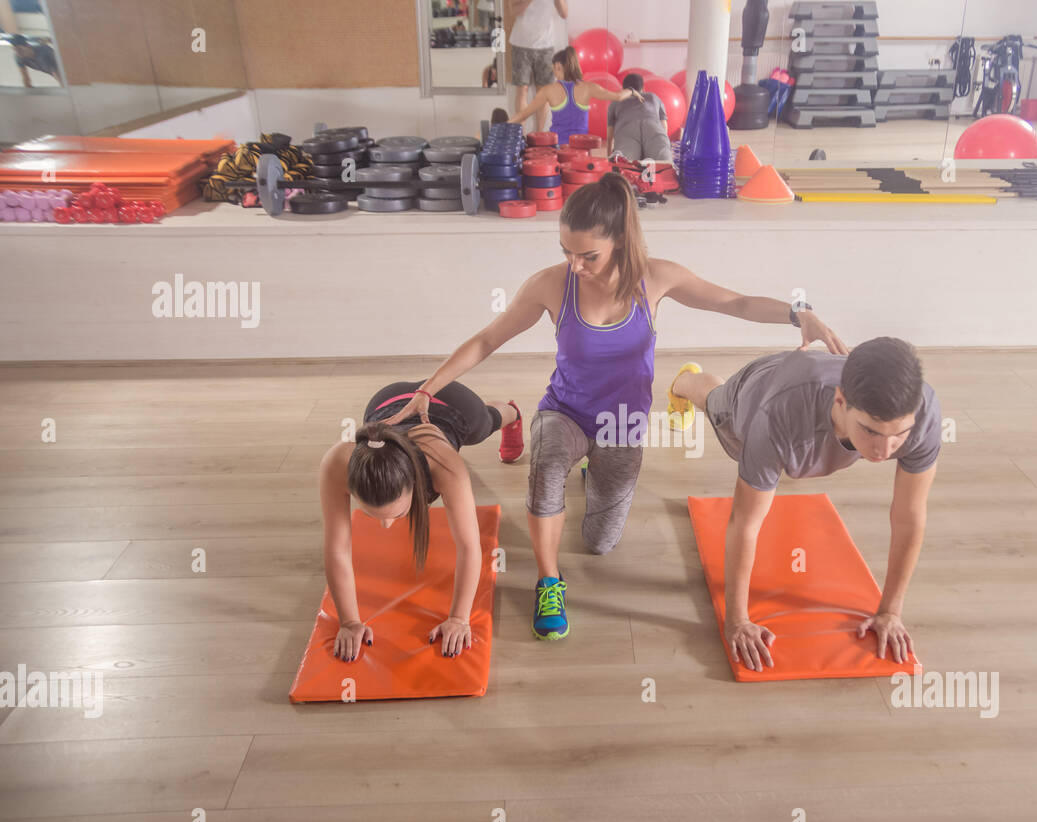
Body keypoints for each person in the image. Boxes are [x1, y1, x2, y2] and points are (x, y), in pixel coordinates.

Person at [382, 173, 846, 643]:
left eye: (588, 255)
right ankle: (549, 581)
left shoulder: (656, 277)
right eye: (566, 251)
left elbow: (737, 302)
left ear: (620, 240)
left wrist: (797, 313)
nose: (575, 265)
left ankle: (595, 471)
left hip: (622, 425)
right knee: (545, 475)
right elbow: (487, 339)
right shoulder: (550, 285)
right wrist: (429, 386)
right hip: (563, 410)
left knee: (600, 543)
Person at [665, 338, 941, 673]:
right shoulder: (775, 416)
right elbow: (745, 522)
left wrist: (890, 611)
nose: (884, 450)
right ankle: (683, 380)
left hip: (807, 401)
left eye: (898, 435)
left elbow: (909, 517)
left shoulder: (923, 414)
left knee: (799, 452)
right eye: (870, 432)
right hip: (758, 391)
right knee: (713, 401)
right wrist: (737, 620)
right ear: (841, 400)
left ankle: (815, 444)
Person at [318, 380, 523, 663]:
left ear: (417, 484)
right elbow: (336, 550)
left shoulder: (445, 466)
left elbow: (470, 547)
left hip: (451, 403)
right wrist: (350, 622)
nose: (388, 527)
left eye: (398, 515)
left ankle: (513, 413)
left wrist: (459, 618)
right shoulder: (338, 463)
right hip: (386, 400)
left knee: (484, 424)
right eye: (372, 515)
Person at [508, 46, 641, 145]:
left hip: (558, 148)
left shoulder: (548, 90)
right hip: (582, 148)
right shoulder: (589, 87)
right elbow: (618, 96)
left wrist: (501, 126)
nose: (553, 72)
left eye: (553, 68)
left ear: (558, 66)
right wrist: (632, 90)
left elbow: (523, 114)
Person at [507, 0, 568, 134]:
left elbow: (564, 13)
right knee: (522, 90)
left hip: (545, 45)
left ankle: (539, 135)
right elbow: (513, 10)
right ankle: (521, 136)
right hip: (521, 43)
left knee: (543, 92)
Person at [608, 73, 673, 164]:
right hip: (653, 127)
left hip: (627, 130)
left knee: (626, 165)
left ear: (623, 89)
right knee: (663, 164)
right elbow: (663, 125)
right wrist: (663, 141)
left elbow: (610, 134)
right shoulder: (653, 97)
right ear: (643, 88)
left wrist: (608, 157)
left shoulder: (616, 101)